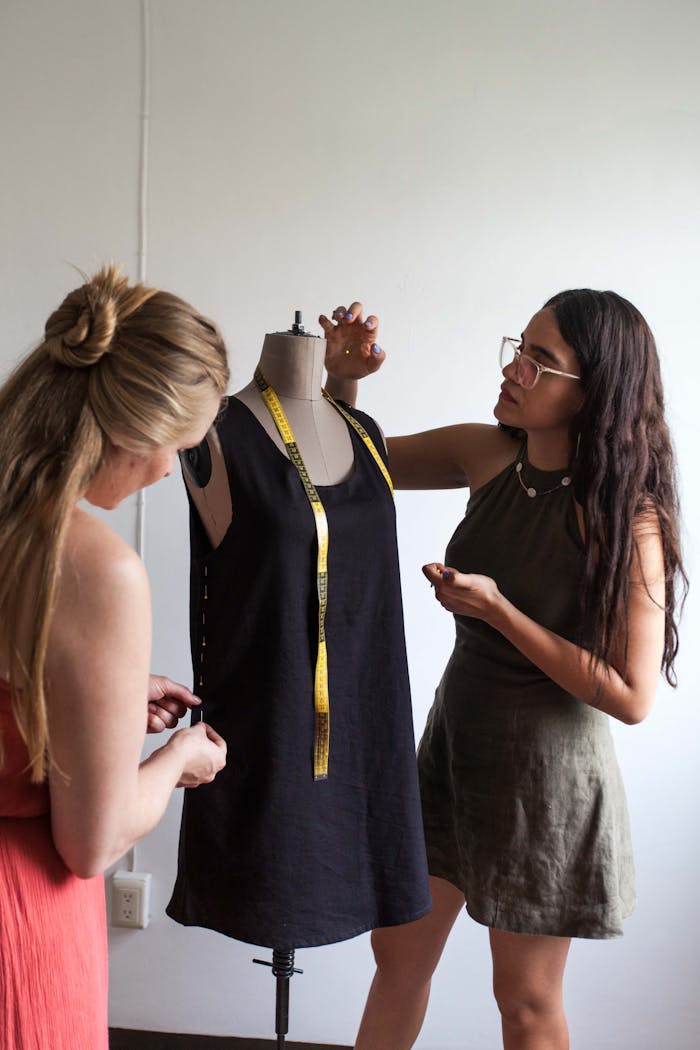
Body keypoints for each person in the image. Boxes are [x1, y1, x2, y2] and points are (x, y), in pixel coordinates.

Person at [319, 291, 686, 1050]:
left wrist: (500, 613)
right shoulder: (487, 454)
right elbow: (343, 466)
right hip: (454, 753)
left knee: (522, 1001)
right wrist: (343, 382)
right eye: (517, 347)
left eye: (540, 362)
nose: (515, 370)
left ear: (595, 393)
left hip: (545, 784)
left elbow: (631, 694)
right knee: (397, 957)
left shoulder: (625, 517)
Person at [0, 265, 229, 1050]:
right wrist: (177, 761)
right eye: (176, 449)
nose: (168, 472)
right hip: (18, 921)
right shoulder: (95, 567)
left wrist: (97, 707)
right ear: (134, 429)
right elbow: (90, 842)